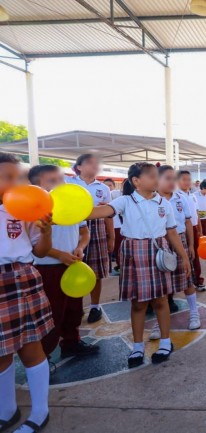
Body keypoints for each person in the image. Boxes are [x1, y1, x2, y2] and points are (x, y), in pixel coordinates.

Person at [88, 163, 191, 368]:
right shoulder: (125, 201)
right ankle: (137, 347)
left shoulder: (164, 203)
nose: (157, 179)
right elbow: (100, 212)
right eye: (152, 176)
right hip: (133, 253)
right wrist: (70, 212)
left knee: (161, 301)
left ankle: (165, 341)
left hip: (157, 251)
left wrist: (184, 256)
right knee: (138, 304)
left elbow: (171, 231)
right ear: (136, 181)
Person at [0, 152, 54, 433]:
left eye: (17, 176)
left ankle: (40, 411)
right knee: (0, 353)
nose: (15, 182)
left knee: (29, 347)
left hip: (20, 278)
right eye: (7, 177)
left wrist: (46, 231)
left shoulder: (24, 209)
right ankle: (7, 411)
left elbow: (41, 251)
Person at [30, 165, 99, 359]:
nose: (60, 184)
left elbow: (84, 232)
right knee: (52, 313)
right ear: (36, 187)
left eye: (61, 179)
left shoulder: (72, 205)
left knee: (74, 309)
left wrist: (80, 248)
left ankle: (71, 342)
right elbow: (34, 245)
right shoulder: (35, 212)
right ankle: (44, 356)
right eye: (52, 181)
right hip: (47, 268)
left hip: (72, 265)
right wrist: (59, 254)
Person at [149, 165, 201, 339]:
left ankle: (194, 313)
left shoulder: (181, 198)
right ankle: (160, 322)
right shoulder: (151, 199)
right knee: (160, 285)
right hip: (160, 242)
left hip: (180, 241)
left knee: (187, 278)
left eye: (174, 178)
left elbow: (188, 223)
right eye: (167, 178)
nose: (172, 182)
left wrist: (191, 246)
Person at [67, 154, 114, 323]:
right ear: (78, 167)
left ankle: (95, 306)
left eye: (96, 163)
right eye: (89, 163)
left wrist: (111, 237)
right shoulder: (68, 183)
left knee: (96, 271)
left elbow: (109, 214)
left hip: (97, 227)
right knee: (73, 266)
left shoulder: (103, 188)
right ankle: (75, 306)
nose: (94, 166)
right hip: (72, 226)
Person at [177, 170, 205, 292]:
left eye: (189, 179)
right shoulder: (176, 196)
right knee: (183, 256)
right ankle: (184, 283)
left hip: (193, 229)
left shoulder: (192, 196)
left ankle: (198, 280)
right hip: (182, 230)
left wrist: (199, 229)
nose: (187, 182)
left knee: (195, 255)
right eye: (184, 179)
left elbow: (196, 214)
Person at [104, 178, 123, 276]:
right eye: (106, 185)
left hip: (117, 226)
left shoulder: (116, 195)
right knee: (109, 248)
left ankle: (120, 266)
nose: (108, 188)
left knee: (118, 248)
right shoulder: (105, 196)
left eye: (110, 186)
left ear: (114, 186)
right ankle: (110, 268)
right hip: (106, 227)